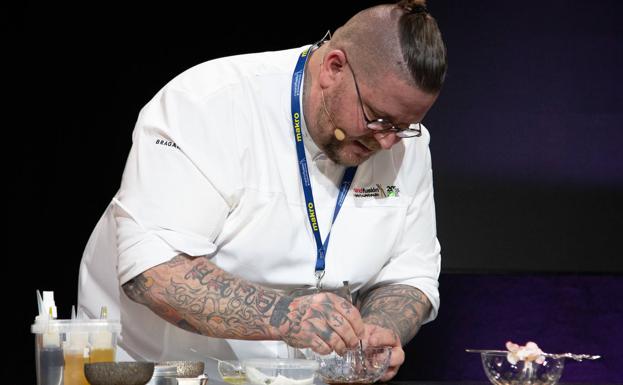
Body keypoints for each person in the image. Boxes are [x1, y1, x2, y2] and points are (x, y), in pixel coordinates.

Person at [77, 0, 447, 380]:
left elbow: (409, 274)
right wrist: (285, 315)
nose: (388, 142)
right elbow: (152, 273)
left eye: (404, 127)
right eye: (378, 119)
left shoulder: (407, 146)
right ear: (334, 67)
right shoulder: (210, 104)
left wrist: (379, 328)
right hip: (160, 369)